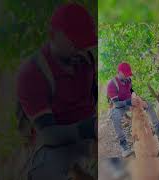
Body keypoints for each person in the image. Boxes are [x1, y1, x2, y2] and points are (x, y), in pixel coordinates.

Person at [16, 3, 96, 180]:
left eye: (83, 44)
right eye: (74, 43)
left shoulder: (85, 61)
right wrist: (87, 131)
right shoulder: (33, 73)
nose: (80, 49)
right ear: (53, 35)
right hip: (53, 149)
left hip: (90, 143)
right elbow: (49, 135)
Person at [107, 62, 159, 157]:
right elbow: (116, 103)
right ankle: (124, 145)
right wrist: (129, 102)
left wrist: (139, 100)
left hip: (131, 102)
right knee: (115, 116)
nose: (127, 76)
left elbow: (131, 90)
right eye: (126, 74)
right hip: (120, 105)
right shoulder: (112, 84)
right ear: (120, 72)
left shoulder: (128, 80)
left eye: (128, 74)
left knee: (148, 104)